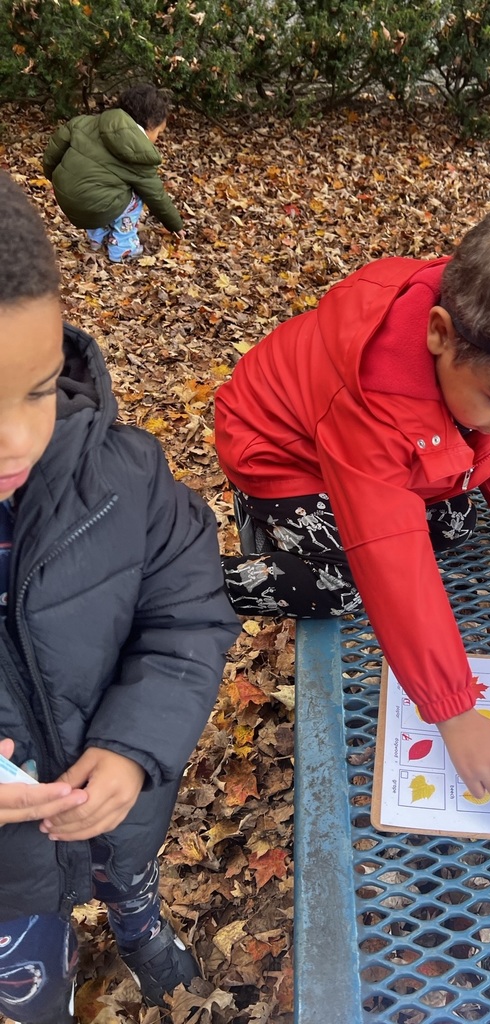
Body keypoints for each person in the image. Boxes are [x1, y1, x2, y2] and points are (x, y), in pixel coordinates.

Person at [215, 199, 490, 802]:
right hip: (284, 458)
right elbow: (389, 552)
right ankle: (192, 578)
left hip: (382, 450)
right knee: (343, 584)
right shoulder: (373, 401)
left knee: (456, 520)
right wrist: (455, 713)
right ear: (438, 333)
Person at [0, 172, 241, 1024]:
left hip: (119, 804)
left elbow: (188, 612)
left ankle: (137, 925)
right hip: (7, 878)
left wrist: (138, 746)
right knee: (28, 981)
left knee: (125, 870)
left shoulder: (124, 475)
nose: (17, 439)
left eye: (35, 389)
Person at [42, 83, 184, 263]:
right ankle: (123, 248)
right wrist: (175, 225)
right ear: (149, 124)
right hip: (94, 206)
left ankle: (97, 237)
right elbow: (156, 195)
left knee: (101, 185)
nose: (157, 139)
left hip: (67, 199)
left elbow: (52, 153)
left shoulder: (84, 122)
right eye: (158, 132)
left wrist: (54, 178)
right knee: (137, 193)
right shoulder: (139, 153)